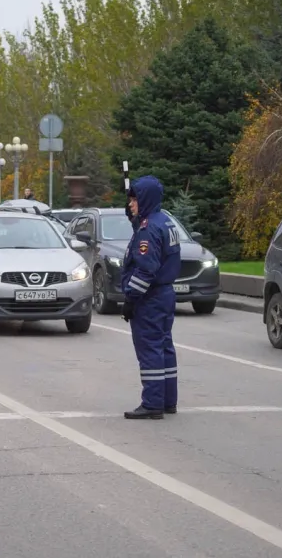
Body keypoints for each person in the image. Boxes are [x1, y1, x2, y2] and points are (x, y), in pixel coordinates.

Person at [120, 175, 181, 419]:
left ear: (144, 199)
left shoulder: (148, 229)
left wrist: (131, 300)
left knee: (150, 349)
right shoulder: (164, 221)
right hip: (164, 295)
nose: (131, 204)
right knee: (164, 346)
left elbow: (145, 269)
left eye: (134, 200)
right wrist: (135, 221)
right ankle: (168, 400)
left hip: (150, 298)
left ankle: (152, 403)